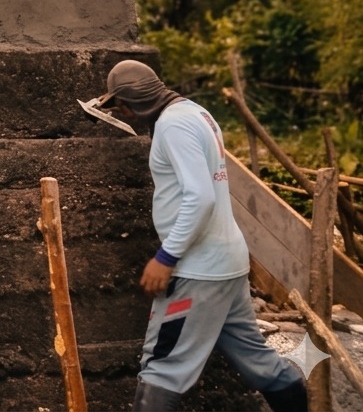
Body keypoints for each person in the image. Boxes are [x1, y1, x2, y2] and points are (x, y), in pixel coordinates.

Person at [94, 60, 308, 412]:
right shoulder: (196, 113)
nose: (124, 115)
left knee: (163, 365)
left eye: (123, 106)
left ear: (135, 102)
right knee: (259, 362)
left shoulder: (172, 125)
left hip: (197, 270)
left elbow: (201, 196)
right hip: (227, 263)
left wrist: (166, 257)